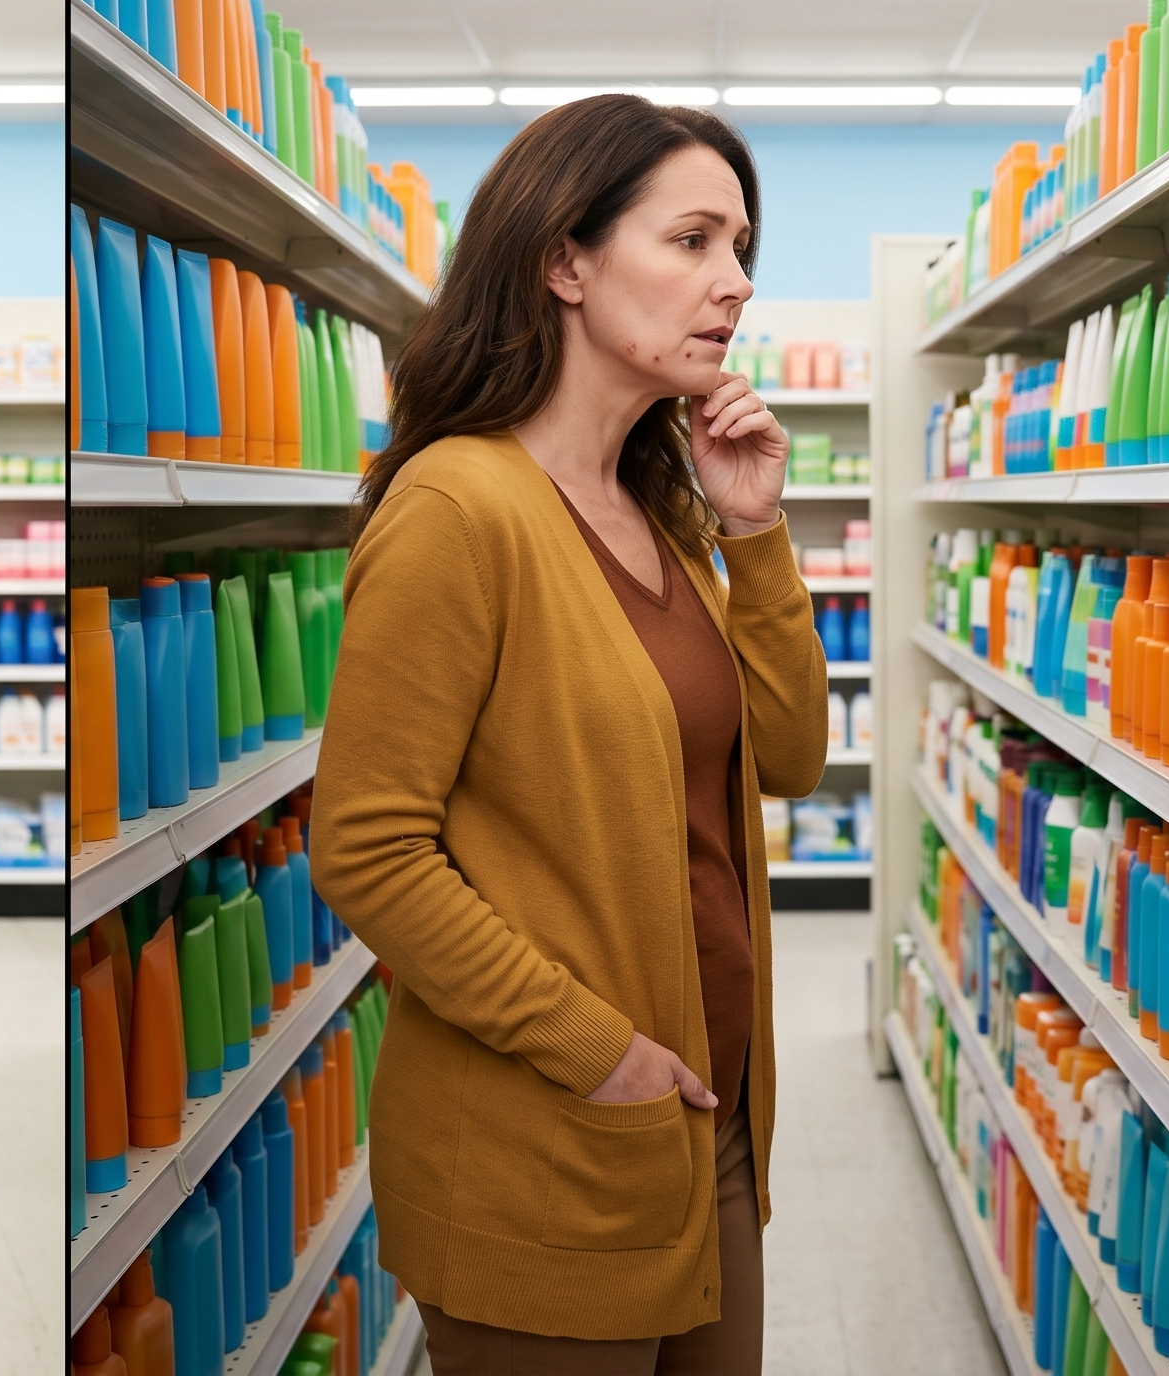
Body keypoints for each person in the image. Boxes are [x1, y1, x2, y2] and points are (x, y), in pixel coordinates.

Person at [308, 95, 825, 1375]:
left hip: (704, 1126)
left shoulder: (658, 504)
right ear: (563, 262)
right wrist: (597, 1056)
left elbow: (790, 758)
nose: (736, 284)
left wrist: (752, 535)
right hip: (549, 1140)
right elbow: (367, 849)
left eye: (741, 248)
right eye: (693, 241)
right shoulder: (455, 508)